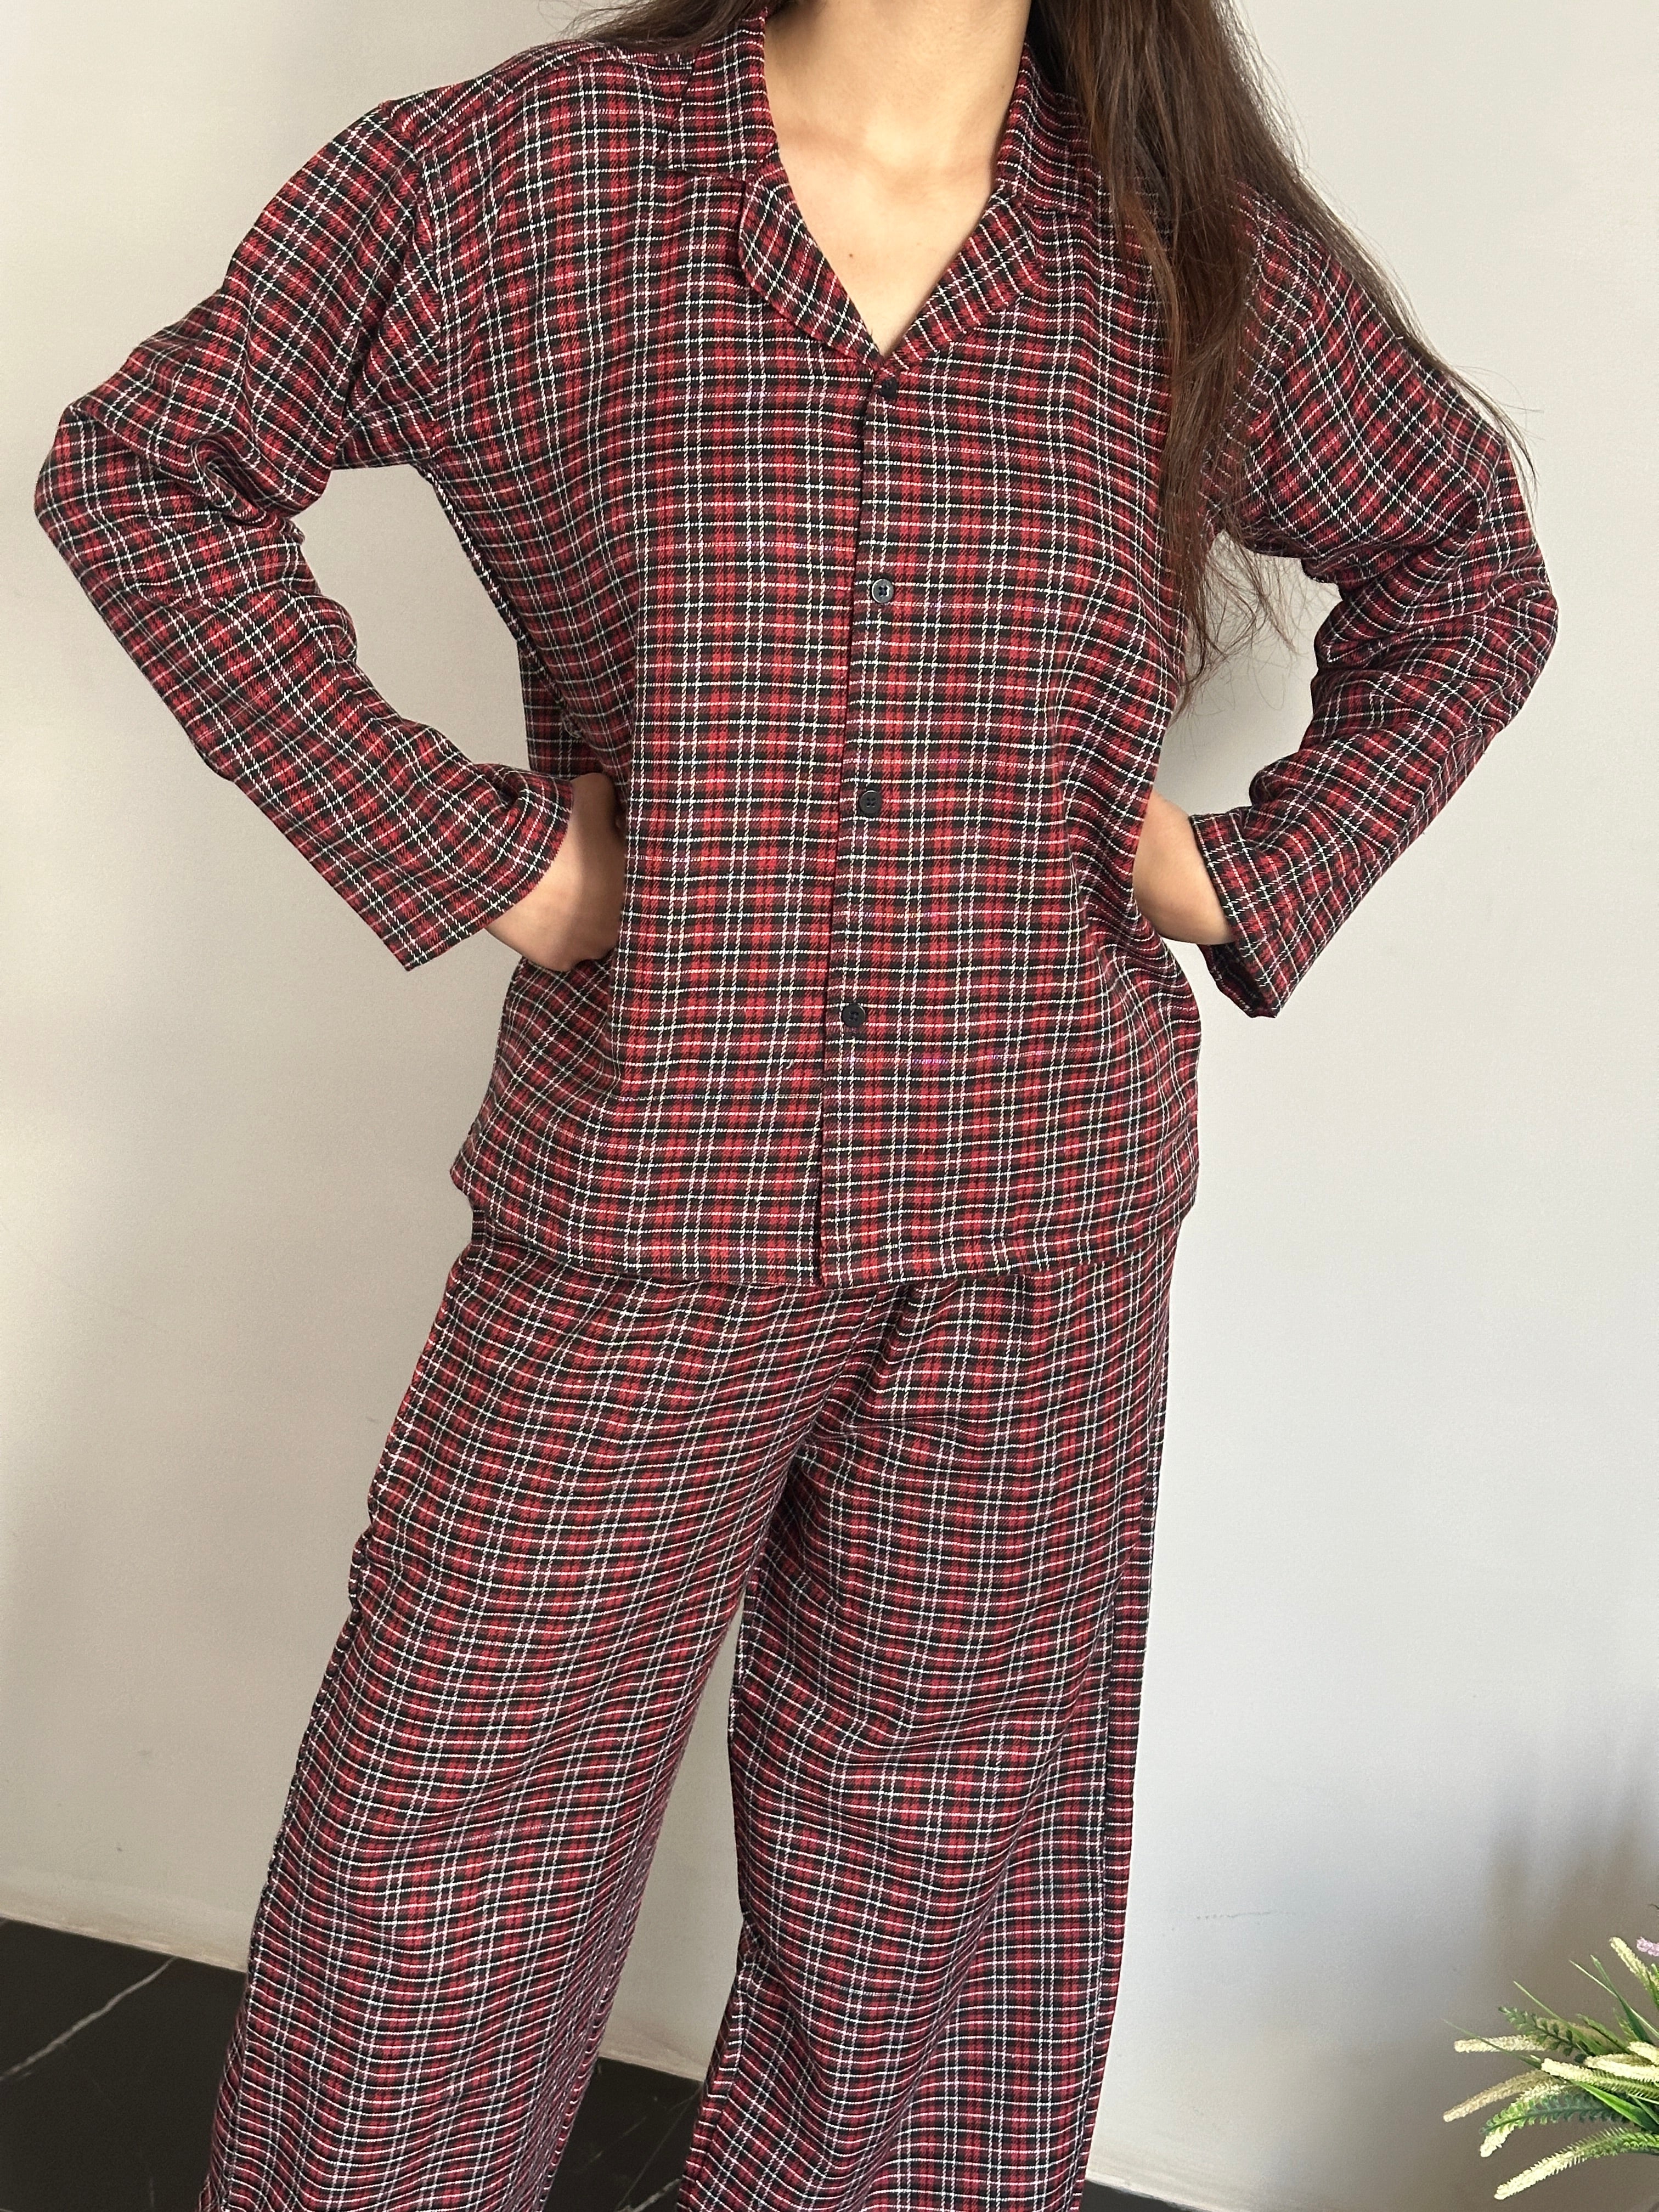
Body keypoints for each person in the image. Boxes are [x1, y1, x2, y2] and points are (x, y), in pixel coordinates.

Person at [33, 0, 1558, 2204]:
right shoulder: (519, 177)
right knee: (440, 1843)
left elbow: (1469, 562)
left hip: (1044, 1215)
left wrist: (1252, 867)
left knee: (943, 1880)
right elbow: (148, 470)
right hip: (644, 1184)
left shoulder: (1180, 238)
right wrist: (495, 863)